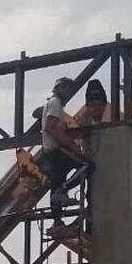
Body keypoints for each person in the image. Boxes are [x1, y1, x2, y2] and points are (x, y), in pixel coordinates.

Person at [39, 76, 87, 226]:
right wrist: (72, 146)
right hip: (56, 149)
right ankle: (63, 189)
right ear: (60, 88)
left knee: (57, 181)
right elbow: (51, 127)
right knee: (87, 166)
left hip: (50, 151)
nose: (69, 93)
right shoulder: (55, 104)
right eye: (67, 88)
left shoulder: (50, 104)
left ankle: (57, 220)